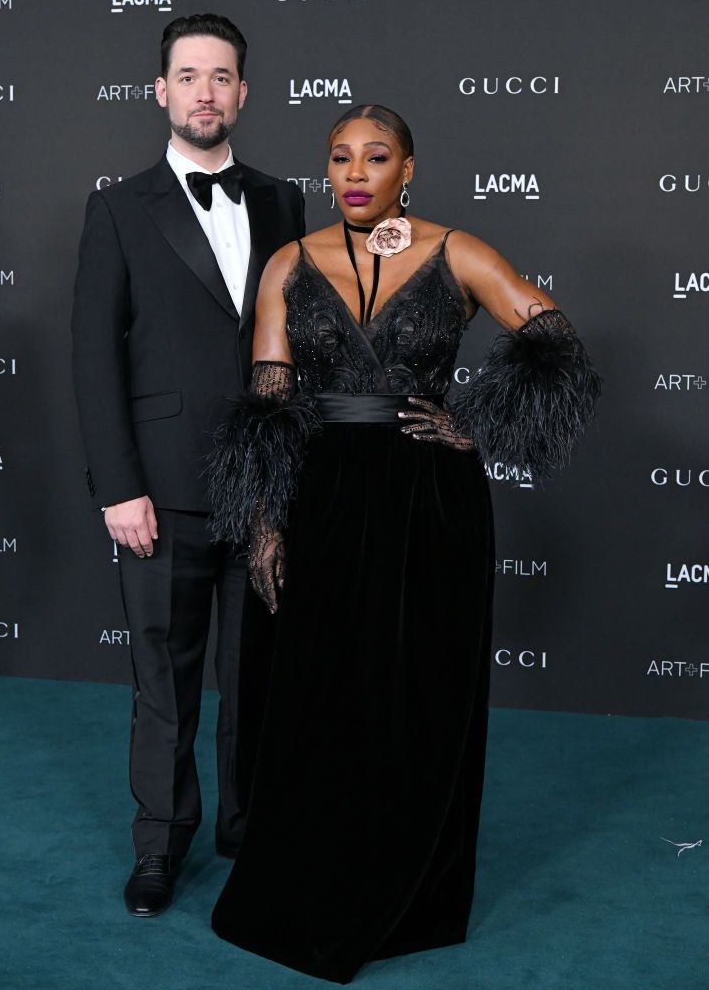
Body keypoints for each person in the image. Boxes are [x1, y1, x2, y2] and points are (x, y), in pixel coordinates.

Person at [207, 104, 599, 983]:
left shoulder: (457, 251)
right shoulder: (287, 263)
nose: (354, 172)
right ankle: (306, 873)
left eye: (374, 157)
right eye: (339, 157)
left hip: (429, 500)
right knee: (315, 692)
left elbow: (556, 344)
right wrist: (265, 521)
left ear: (406, 168)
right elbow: (269, 402)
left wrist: (476, 425)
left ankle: (409, 888)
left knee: (416, 685)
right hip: (318, 497)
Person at [71, 13, 305, 918]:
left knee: (257, 679)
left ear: (243, 93)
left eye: (221, 76)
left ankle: (247, 832)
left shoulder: (285, 201)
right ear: (160, 91)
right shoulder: (119, 207)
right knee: (163, 681)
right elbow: (95, 358)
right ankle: (160, 846)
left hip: (263, 487)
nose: (204, 91)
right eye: (187, 75)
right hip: (158, 491)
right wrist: (118, 486)